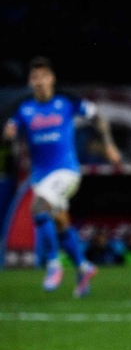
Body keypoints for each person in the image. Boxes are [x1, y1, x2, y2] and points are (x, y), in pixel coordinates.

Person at [3, 56, 121, 296]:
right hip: (41, 178)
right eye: (34, 77)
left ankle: (53, 265)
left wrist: (108, 145)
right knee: (60, 224)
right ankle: (84, 267)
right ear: (29, 81)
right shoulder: (24, 108)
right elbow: (10, 135)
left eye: (43, 76)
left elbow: (97, 115)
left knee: (38, 208)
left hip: (67, 172)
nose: (39, 81)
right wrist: (8, 135)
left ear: (52, 79)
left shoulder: (67, 101)